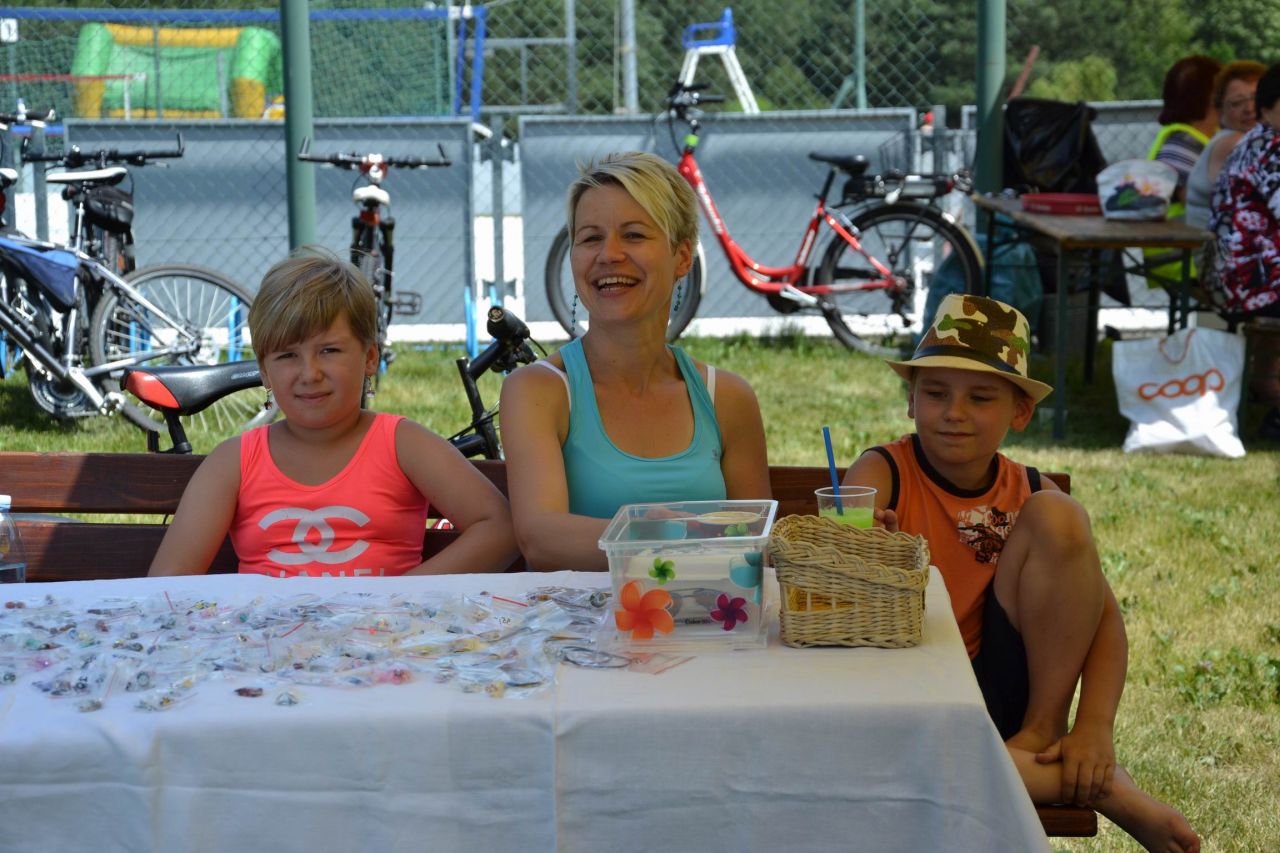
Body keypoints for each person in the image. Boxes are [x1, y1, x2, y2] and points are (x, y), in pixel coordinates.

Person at [843, 294, 1200, 853]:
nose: (954, 412)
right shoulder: (882, 471)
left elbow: (1103, 621)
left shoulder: (1031, 492)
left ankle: (1042, 736)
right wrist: (868, 547)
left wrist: (1094, 728)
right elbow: (834, 563)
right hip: (907, 693)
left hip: (1004, 693)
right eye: (935, 393)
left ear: (1020, 412)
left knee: (1061, 514)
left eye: (980, 397)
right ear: (911, 401)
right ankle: (1097, 786)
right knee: (885, 765)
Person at [149, 250, 518, 577]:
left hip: (383, 631)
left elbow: (499, 528)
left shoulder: (403, 444)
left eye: (329, 350)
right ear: (264, 371)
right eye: (287, 355)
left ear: (369, 357)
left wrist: (400, 597)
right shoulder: (235, 462)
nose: (309, 373)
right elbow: (168, 578)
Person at [499, 152, 770, 570]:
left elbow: (756, 547)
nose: (609, 254)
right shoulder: (539, 390)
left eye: (634, 235)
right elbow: (541, 539)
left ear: (683, 257)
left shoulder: (727, 398)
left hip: (708, 611)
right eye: (590, 238)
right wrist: (661, 533)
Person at [1211, 61, 1280, 442]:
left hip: (1236, 279)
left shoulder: (1253, 142)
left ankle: (1266, 387)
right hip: (1254, 282)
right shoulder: (1271, 149)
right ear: (1267, 107)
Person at [1185, 60, 1265, 231]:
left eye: (1256, 98)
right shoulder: (1235, 142)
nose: (1249, 108)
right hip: (1216, 245)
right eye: (1236, 103)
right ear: (1219, 110)